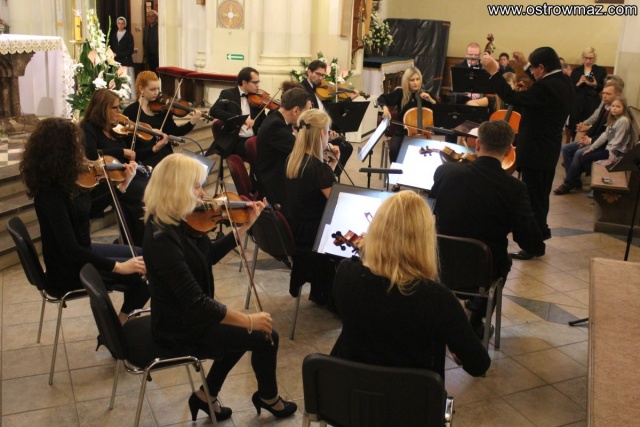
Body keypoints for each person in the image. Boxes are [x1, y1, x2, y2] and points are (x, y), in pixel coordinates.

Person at [142, 153, 297, 422]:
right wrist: (248, 320)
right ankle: (268, 397)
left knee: (239, 331)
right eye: (196, 187)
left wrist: (246, 225)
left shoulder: (178, 221)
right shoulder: (162, 239)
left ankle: (207, 395)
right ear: (176, 189)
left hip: (189, 316)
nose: (203, 193)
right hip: (178, 329)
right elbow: (196, 302)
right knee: (263, 335)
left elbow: (210, 255)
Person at [330, 191, 491, 380]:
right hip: (411, 395)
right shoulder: (438, 298)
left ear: (376, 230)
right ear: (425, 240)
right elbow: (478, 365)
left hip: (350, 387)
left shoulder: (346, 272)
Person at [20, 118, 148, 325]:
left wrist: (121, 187)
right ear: (62, 152)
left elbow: (85, 213)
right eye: (77, 146)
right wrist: (117, 267)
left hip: (81, 252)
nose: (82, 151)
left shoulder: (64, 181)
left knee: (144, 256)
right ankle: (117, 329)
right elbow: (70, 249)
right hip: (68, 270)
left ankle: (119, 323)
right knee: (145, 271)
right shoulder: (51, 194)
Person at [430, 121, 545, 334]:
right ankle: (475, 323)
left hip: (439, 261)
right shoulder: (515, 188)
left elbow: (432, 208)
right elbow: (530, 241)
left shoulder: (446, 171)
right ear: (509, 150)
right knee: (503, 260)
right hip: (482, 271)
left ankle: (440, 315)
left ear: (477, 144)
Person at [482, 47, 574, 259]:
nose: (531, 71)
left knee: (533, 201)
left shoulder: (545, 88)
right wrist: (524, 64)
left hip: (536, 152)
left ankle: (534, 246)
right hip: (548, 150)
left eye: (533, 68)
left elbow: (511, 96)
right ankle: (540, 235)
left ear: (541, 67)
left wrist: (494, 72)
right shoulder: (563, 81)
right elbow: (542, 84)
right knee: (540, 198)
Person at [284, 109, 339, 306]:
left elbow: (313, 190)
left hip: (298, 229)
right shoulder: (318, 169)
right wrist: (330, 171)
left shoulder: (292, 160)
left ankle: (320, 290)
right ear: (322, 134)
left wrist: (331, 168)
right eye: (328, 131)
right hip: (316, 236)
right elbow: (337, 204)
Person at [81, 89, 148, 247]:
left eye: (119, 107)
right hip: (105, 181)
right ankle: (138, 243)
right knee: (145, 192)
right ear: (102, 108)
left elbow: (130, 155)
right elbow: (91, 154)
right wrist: (121, 152)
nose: (119, 111)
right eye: (115, 108)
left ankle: (145, 239)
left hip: (123, 175)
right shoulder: (88, 128)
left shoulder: (113, 128)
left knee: (154, 185)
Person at [555, 81, 624, 194]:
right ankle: (575, 180)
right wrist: (586, 136)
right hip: (596, 139)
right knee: (566, 148)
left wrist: (590, 141)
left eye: (608, 94)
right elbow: (596, 125)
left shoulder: (616, 111)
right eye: (603, 93)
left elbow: (608, 136)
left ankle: (567, 183)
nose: (604, 96)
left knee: (579, 153)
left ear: (617, 95)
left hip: (606, 146)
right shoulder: (605, 107)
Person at [122, 71, 202, 168]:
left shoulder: (162, 109)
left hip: (164, 154)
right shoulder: (131, 111)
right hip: (145, 157)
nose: (156, 93)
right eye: (152, 89)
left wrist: (192, 122)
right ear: (141, 89)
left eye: (158, 89)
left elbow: (175, 131)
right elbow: (128, 142)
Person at [256, 85, 312, 207]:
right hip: (274, 184)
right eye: (307, 111)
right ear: (296, 110)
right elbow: (301, 151)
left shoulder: (277, 118)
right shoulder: (275, 126)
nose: (307, 116)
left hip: (279, 172)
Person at [301, 59, 355, 178]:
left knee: (345, 146)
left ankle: (331, 174)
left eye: (323, 75)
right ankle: (330, 176)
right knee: (345, 147)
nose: (320, 78)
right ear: (309, 72)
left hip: (324, 130)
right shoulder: (303, 89)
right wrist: (326, 136)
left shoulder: (318, 89)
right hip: (314, 133)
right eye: (318, 74)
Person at [377, 66, 436, 163]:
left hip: (423, 133)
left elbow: (439, 110)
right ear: (406, 81)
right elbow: (381, 98)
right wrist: (385, 108)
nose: (415, 82)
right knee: (394, 151)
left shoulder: (425, 95)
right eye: (412, 80)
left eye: (417, 79)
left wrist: (431, 100)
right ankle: (396, 171)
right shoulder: (400, 93)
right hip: (402, 132)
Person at [209, 67, 265, 158]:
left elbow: (264, 121)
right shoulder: (228, 94)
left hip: (254, 139)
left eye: (258, 82)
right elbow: (214, 111)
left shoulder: (257, 99)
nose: (258, 85)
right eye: (255, 83)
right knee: (259, 154)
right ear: (244, 82)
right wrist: (242, 119)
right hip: (236, 141)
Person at [568, 48, 607, 138]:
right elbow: (570, 88)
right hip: (578, 102)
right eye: (586, 58)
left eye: (590, 58)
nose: (588, 61)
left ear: (594, 58)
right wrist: (579, 83)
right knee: (576, 125)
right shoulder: (576, 71)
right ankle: (574, 141)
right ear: (582, 58)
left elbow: (604, 87)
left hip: (592, 101)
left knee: (589, 125)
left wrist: (595, 84)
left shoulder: (600, 70)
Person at [109, 16, 135, 99]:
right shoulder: (113, 35)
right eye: (119, 23)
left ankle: (127, 97)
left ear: (125, 24)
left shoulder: (129, 36)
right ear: (117, 24)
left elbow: (130, 50)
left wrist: (118, 54)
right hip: (116, 62)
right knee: (116, 80)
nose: (120, 25)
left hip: (125, 61)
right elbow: (110, 46)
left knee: (125, 81)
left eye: (122, 24)